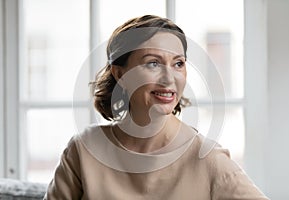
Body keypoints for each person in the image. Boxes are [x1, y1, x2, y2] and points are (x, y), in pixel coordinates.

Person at [45, 15, 269, 199]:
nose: (169, 78)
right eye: (153, 63)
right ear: (120, 74)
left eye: (178, 64)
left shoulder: (209, 160)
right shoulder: (83, 150)